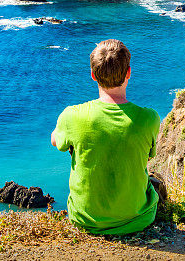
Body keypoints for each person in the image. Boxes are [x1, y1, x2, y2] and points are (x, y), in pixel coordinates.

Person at [51, 39, 161, 234]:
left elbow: (55, 141)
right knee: (155, 180)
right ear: (128, 73)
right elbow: (149, 156)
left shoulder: (72, 115)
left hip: (84, 219)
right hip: (138, 218)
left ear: (93, 75)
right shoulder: (149, 118)